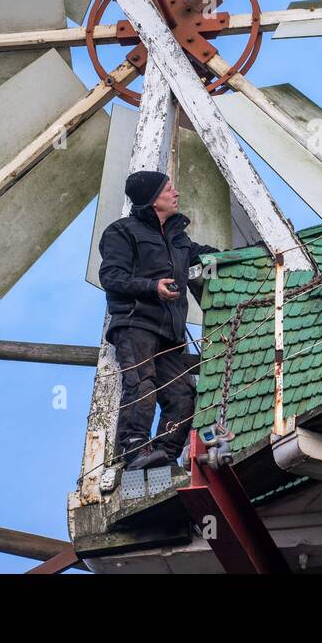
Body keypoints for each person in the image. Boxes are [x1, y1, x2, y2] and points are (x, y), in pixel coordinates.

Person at [98, 170, 220, 472]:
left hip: (169, 332)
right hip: (136, 323)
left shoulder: (178, 239)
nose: (176, 193)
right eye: (169, 189)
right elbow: (111, 277)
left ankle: (164, 454)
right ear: (153, 200)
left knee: (182, 395)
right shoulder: (122, 232)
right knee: (141, 384)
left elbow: (206, 256)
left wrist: (254, 251)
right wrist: (153, 287)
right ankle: (134, 449)